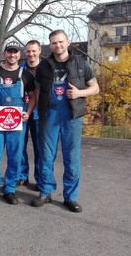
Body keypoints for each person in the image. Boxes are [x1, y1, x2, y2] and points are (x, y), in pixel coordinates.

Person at [31, 30, 99, 213]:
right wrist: (37, 109)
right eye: (53, 43)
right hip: (49, 115)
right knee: (46, 155)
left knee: (72, 158)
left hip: (71, 116)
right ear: (50, 45)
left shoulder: (81, 63)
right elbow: (37, 90)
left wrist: (79, 93)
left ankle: (70, 197)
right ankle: (45, 192)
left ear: (68, 42)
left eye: (60, 42)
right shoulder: (44, 65)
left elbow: (95, 87)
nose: (57, 46)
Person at [0, 41, 36, 204]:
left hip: (17, 122)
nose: (12, 55)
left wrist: (28, 112)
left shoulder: (25, 75)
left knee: (15, 155)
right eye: (9, 52)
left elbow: (33, 97)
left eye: (15, 52)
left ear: (20, 55)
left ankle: (10, 188)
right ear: (4, 54)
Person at [18, 40, 42, 187]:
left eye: (34, 51)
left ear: (39, 51)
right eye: (28, 51)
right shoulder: (19, 69)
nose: (31, 54)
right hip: (21, 112)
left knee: (40, 147)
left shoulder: (46, 69)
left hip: (39, 113)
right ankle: (22, 175)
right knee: (20, 145)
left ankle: (40, 177)